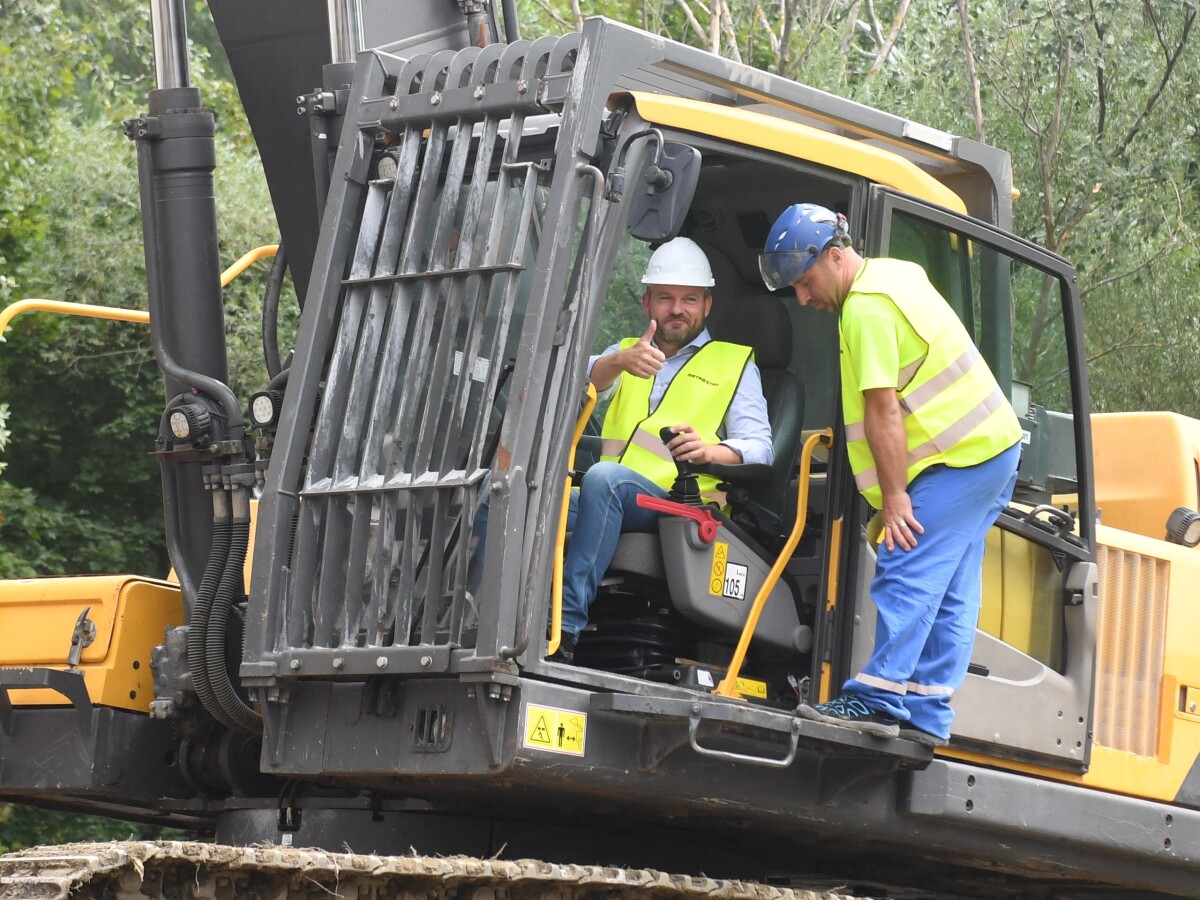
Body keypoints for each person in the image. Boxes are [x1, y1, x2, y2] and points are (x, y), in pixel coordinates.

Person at [759, 203, 1022, 747]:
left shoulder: (866, 309)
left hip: (961, 456)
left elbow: (883, 410)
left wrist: (895, 496)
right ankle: (926, 712)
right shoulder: (895, 274)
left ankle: (877, 699)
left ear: (836, 256)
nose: (803, 299)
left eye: (806, 283)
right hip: (989, 449)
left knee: (906, 563)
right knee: (950, 589)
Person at [555, 236, 774, 661]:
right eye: (666, 298)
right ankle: (483, 617)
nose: (677, 309)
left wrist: (710, 451)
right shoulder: (624, 355)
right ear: (646, 304)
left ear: (707, 305)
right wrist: (618, 362)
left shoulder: (734, 363)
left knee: (604, 480)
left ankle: (563, 627)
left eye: (690, 299)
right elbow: (576, 386)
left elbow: (760, 449)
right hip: (613, 499)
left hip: (683, 509)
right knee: (502, 487)